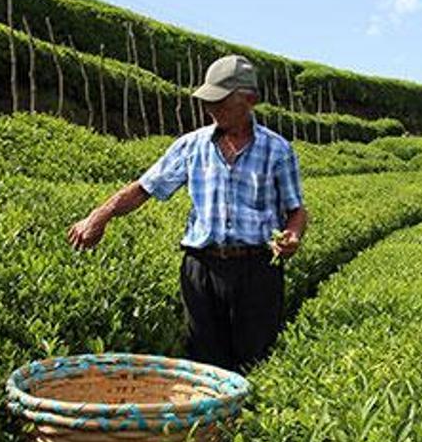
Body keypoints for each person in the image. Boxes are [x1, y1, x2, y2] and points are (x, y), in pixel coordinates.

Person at [66, 53, 308, 373]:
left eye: (220, 101)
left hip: (257, 271)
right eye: (208, 101)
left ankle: (246, 422)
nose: (211, 109)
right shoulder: (191, 145)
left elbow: (296, 210)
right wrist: (101, 214)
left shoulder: (278, 150)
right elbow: (144, 187)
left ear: (250, 100)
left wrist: (292, 236)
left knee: (255, 360)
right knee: (205, 365)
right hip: (201, 267)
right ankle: (211, 424)